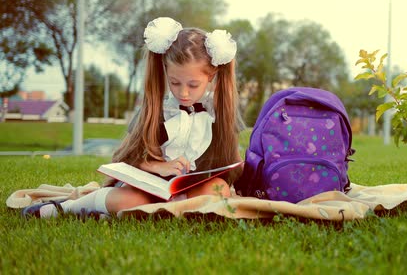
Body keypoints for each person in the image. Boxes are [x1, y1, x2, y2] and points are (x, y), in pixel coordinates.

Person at [22, 17, 244, 218]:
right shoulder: (157, 111)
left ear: (212, 77)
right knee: (131, 200)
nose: (183, 93)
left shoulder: (218, 115)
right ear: (165, 71)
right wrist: (157, 167)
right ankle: (66, 208)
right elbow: (124, 158)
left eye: (193, 85)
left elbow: (230, 167)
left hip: (188, 190)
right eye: (175, 82)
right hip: (147, 189)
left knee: (219, 190)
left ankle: (161, 211)